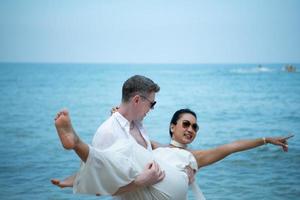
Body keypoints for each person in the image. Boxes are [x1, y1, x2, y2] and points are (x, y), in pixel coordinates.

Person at [53, 106, 292, 200]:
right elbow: (120, 158)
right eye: (186, 124)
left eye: (195, 127)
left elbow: (230, 147)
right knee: (122, 157)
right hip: (150, 185)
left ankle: (76, 143)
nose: (191, 129)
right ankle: (78, 157)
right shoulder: (155, 147)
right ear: (173, 127)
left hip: (170, 186)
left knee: (128, 148)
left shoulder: (193, 156)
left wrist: (265, 140)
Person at [52, 75, 170, 198]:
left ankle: (76, 174)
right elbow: (99, 189)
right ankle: (76, 143)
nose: (152, 109)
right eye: (152, 104)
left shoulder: (138, 124)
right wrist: (140, 182)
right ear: (136, 100)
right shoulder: (108, 132)